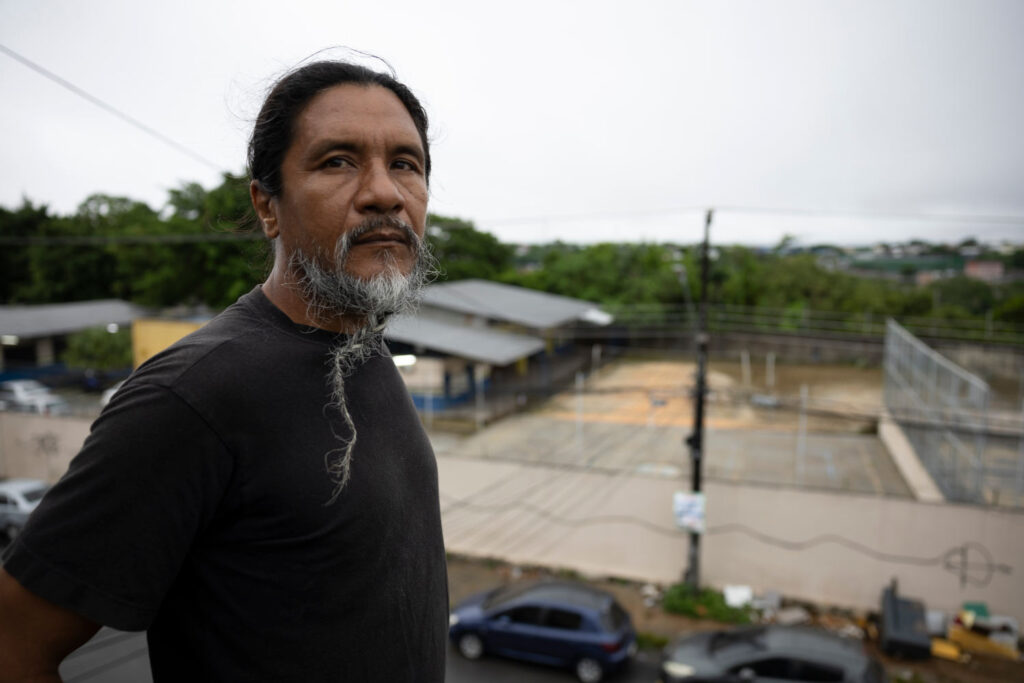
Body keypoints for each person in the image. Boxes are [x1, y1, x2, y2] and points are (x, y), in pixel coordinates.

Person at [0, 60, 448, 682]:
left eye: (405, 163)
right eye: (337, 161)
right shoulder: (193, 396)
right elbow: (13, 643)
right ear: (267, 206)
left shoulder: (364, 344)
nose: (385, 192)